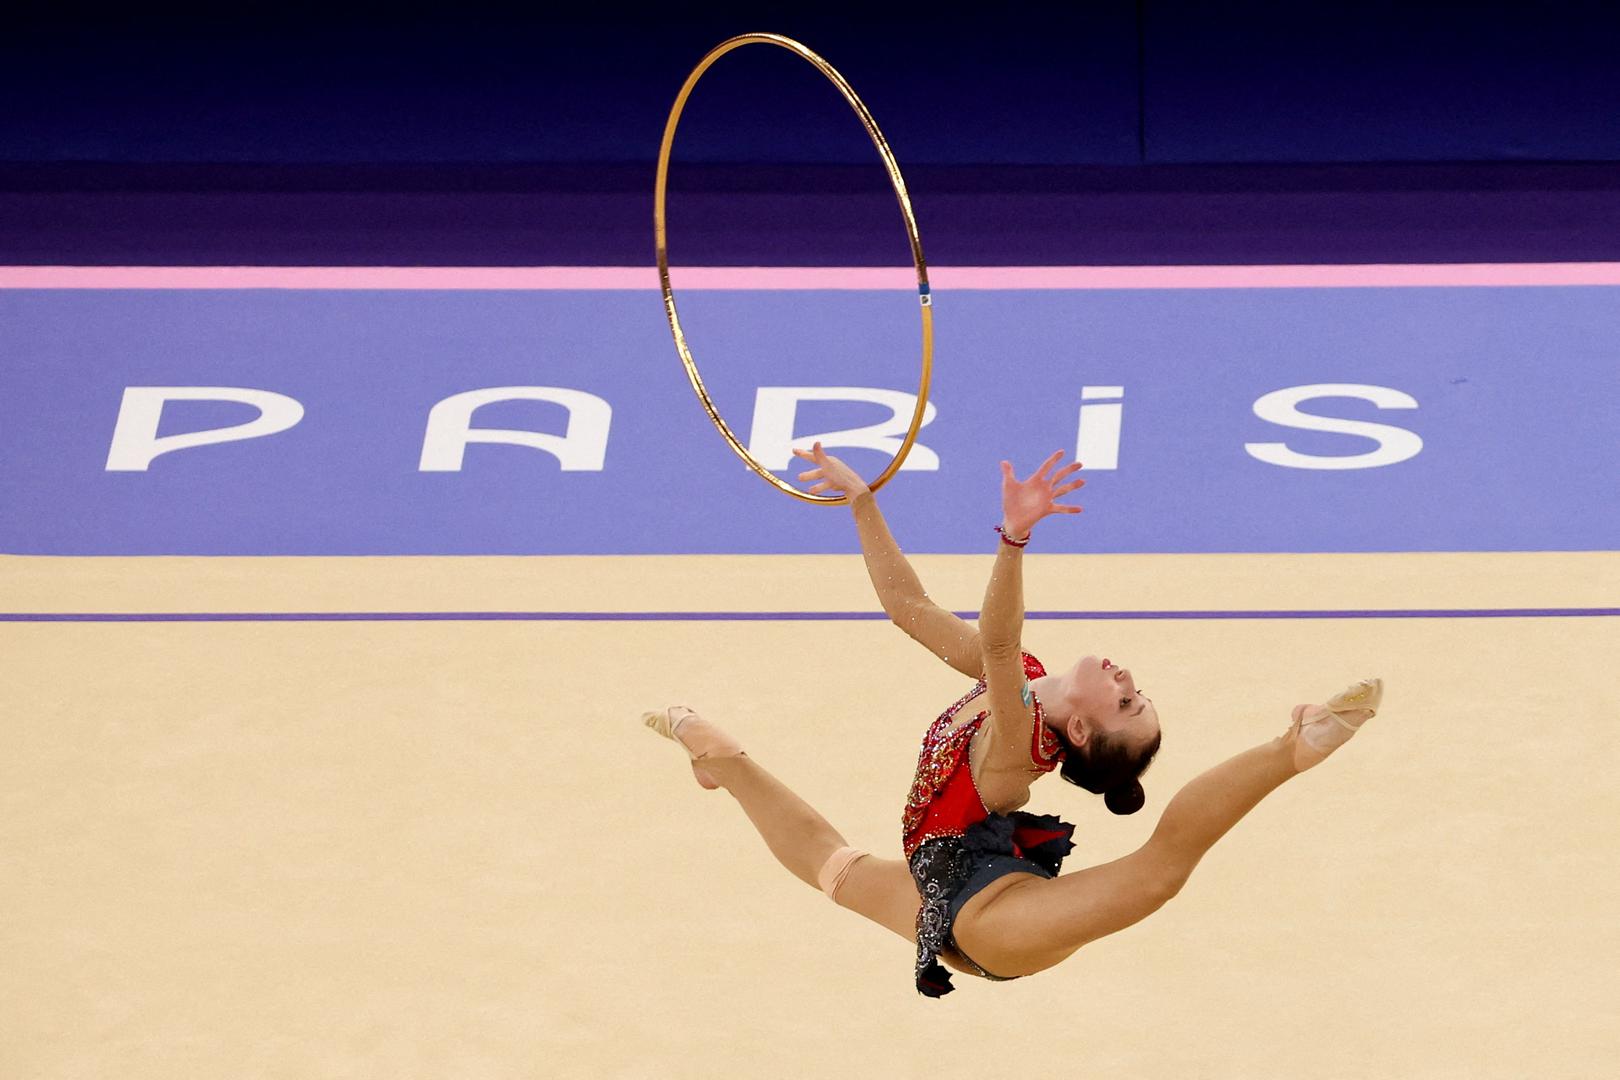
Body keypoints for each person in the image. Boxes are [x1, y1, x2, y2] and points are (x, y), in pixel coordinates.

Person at [644, 443, 1383, 996]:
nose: (1127, 680)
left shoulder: (1020, 728)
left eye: (1127, 702)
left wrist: (1016, 536)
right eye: (1138, 690)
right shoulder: (1027, 684)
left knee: (1158, 871)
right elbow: (909, 609)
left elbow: (997, 639)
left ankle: (1297, 746)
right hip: (949, 882)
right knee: (828, 865)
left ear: (1083, 733)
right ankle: (722, 759)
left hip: (992, 919)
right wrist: (864, 504)